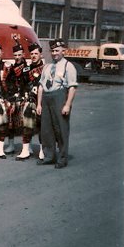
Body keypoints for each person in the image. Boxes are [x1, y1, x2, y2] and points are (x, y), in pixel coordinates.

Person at [36, 38, 77, 169]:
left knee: (61, 129)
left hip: (59, 98)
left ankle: (62, 158)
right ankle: (49, 156)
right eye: (52, 50)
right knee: (46, 130)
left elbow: (72, 87)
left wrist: (67, 105)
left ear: (64, 51)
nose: (54, 53)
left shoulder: (68, 66)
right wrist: (39, 104)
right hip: (46, 99)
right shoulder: (47, 66)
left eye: (57, 50)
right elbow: (41, 86)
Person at [15, 42, 45, 161]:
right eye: (31, 53)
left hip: (41, 102)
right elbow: (21, 86)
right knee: (27, 126)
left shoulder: (46, 69)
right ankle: (25, 150)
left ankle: (43, 150)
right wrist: (21, 98)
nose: (33, 55)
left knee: (42, 126)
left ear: (40, 54)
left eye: (36, 53)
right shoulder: (26, 69)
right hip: (29, 100)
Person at [4, 38, 27, 154]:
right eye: (15, 55)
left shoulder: (27, 68)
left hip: (24, 98)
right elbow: (8, 83)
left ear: (23, 54)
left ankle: (27, 147)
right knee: (11, 124)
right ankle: (11, 145)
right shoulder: (12, 69)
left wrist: (22, 96)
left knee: (25, 125)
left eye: (19, 55)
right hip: (13, 98)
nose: (17, 57)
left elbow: (28, 83)